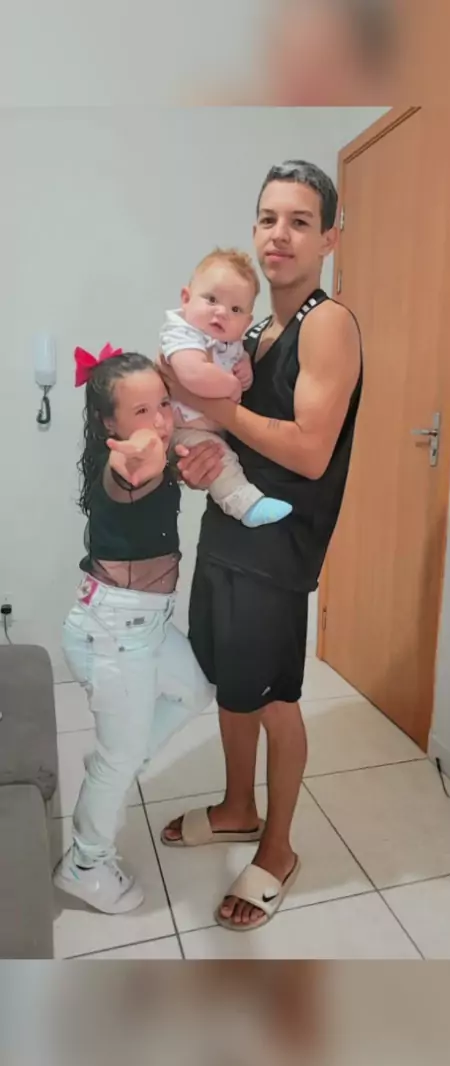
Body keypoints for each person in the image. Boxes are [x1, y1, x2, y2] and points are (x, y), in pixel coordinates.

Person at [161, 160, 363, 931]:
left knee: (275, 696)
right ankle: (238, 807)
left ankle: (277, 849)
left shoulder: (328, 322)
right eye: (269, 218)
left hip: (277, 550)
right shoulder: (249, 328)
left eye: (300, 221)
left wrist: (207, 404)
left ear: (329, 238)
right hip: (228, 534)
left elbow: (309, 452)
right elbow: (229, 440)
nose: (280, 234)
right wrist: (198, 459)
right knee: (232, 684)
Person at [53, 346, 222, 915]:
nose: (160, 422)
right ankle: (84, 864)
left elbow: (181, 441)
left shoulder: (166, 446)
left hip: (145, 625)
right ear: (110, 425)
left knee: (195, 690)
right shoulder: (121, 465)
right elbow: (128, 476)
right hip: (112, 631)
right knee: (120, 754)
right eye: (142, 411)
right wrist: (142, 460)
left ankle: (114, 765)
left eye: (164, 405)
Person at [159, 247, 292, 527]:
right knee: (220, 456)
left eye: (235, 310)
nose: (221, 312)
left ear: (246, 322)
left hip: (203, 425)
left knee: (217, 453)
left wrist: (244, 369)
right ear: (186, 299)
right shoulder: (183, 333)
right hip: (180, 426)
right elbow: (192, 374)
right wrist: (231, 384)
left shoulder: (230, 343)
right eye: (211, 299)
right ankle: (245, 505)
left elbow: (235, 360)